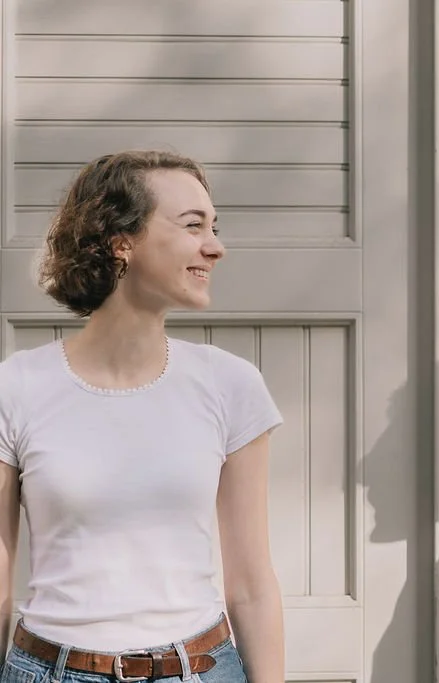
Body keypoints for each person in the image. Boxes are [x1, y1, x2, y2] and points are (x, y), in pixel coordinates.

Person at [0, 151, 285, 683]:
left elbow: (251, 584)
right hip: (48, 670)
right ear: (120, 241)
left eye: (214, 227)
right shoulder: (16, 387)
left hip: (199, 669)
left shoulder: (231, 385)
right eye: (193, 225)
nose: (216, 246)